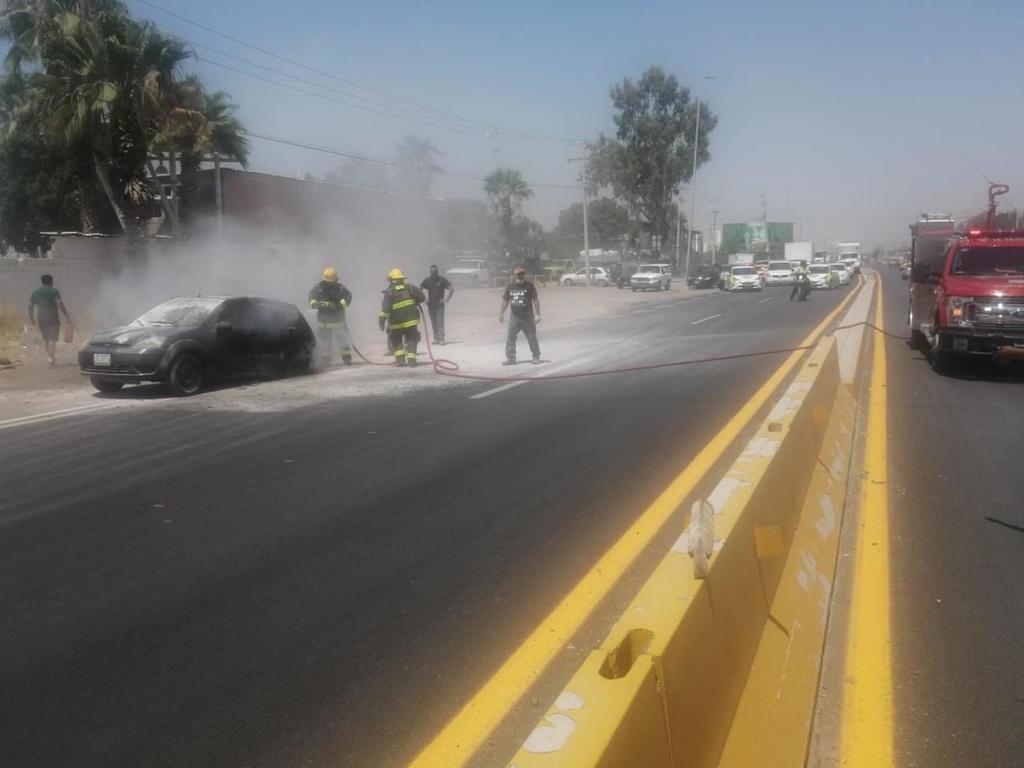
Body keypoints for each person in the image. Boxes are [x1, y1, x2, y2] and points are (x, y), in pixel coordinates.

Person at [380, 268, 426, 366]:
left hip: (396, 323)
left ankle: (400, 360)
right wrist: (415, 299)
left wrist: (381, 321)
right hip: (411, 321)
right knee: (412, 338)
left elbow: (385, 309)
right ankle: (412, 360)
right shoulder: (411, 288)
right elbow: (422, 298)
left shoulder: (389, 292)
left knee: (396, 339)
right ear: (402, 278)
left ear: (391, 280)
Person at [308, 267, 353, 366]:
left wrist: (341, 304)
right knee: (327, 342)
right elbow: (311, 297)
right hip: (328, 322)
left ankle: (345, 357)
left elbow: (348, 296)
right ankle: (329, 359)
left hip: (334, 321)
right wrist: (316, 304)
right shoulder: (320, 288)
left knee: (339, 340)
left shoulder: (337, 288)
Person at [500, 266, 541, 365]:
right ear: (514, 276)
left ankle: (536, 356)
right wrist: (501, 313)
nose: (520, 276)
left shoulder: (529, 286)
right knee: (511, 336)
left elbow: (535, 300)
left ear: (524, 275)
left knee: (531, 336)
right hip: (515, 316)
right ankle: (511, 358)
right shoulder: (510, 286)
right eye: (518, 274)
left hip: (527, 316)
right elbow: (505, 300)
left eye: (522, 274)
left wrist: (537, 314)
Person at [28, 274, 72, 368]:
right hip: (52, 317)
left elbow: (30, 306)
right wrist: (67, 315)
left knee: (46, 339)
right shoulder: (54, 291)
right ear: (50, 281)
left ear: (42, 281)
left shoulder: (35, 292)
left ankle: (50, 357)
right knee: (52, 339)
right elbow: (60, 303)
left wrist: (31, 318)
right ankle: (50, 360)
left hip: (41, 318)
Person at [420, 265, 454, 344]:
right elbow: (420, 289)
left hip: (440, 305)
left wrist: (446, 299)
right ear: (430, 272)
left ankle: (441, 339)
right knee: (434, 322)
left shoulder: (442, 280)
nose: (434, 273)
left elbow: (451, 288)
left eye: (435, 272)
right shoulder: (427, 280)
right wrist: (424, 300)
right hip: (431, 305)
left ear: (437, 272)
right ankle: (436, 338)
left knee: (440, 322)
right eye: (432, 272)